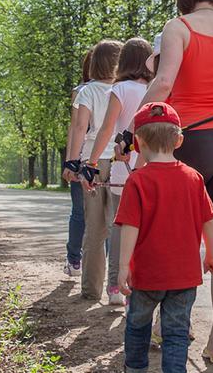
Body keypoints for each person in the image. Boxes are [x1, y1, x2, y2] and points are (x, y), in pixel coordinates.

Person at [141, 0, 213, 365]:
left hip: (190, 138)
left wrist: (138, 121)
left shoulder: (178, 27)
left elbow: (164, 84)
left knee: (179, 237)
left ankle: (169, 326)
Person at [115, 102, 213, 373]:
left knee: (138, 326)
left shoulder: (137, 181)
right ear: (179, 140)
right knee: (176, 331)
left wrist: (122, 268)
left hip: (147, 275)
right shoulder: (194, 178)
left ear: (139, 143)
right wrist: (211, 254)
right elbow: (209, 220)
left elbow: (129, 227)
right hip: (184, 276)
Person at [86, 37, 155, 307]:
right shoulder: (157, 90)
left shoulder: (120, 90)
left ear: (123, 62)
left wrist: (91, 163)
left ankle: (115, 286)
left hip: (123, 169)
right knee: (148, 228)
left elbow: (106, 130)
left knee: (122, 226)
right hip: (150, 165)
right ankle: (142, 286)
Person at [64, 39, 122, 299]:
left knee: (94, 229)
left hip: (92, 164)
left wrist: (71, 162)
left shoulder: (86, 92)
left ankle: (91, 289)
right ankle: (117, 289)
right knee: (118, 227)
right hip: (122, 164)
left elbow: (79, 128)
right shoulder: (126, 89)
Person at [62, 48, 94, 277]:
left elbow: (75, 128)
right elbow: (75, 127)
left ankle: (75, 260)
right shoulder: (82, 91)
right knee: (101, 215)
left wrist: (70, 161)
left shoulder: (81, 91)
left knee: (81, 212)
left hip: (84, 156)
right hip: (95, 156)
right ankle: (78, 259)